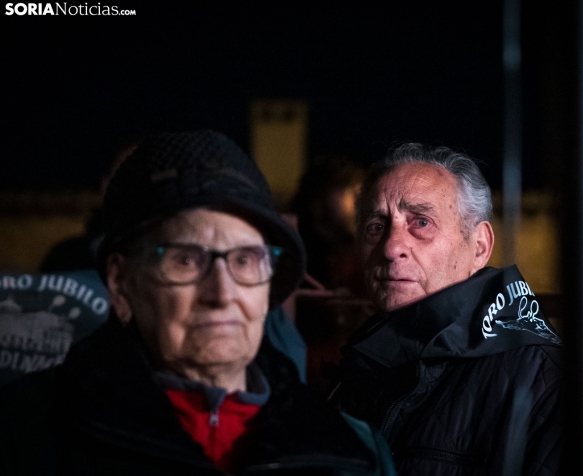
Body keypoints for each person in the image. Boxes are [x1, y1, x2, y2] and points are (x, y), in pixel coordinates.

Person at [0, 130, 395, 476]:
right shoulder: (26, 433)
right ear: (121, 284)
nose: (222, 294)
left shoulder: (352, 451)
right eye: (186, 260)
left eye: (244, 260)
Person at [327, 143, 565, 475]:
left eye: (421, 222)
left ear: (479, 247)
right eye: (376, 226)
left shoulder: (549, 383)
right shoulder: (359, 365)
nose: (392, 246)